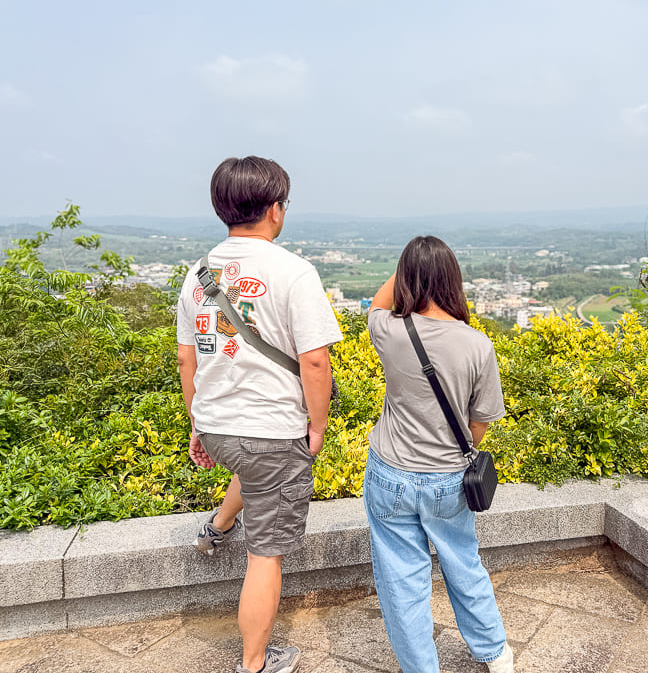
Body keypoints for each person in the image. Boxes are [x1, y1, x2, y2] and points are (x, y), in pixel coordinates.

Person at [177, 156, 343, 673]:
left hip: (217, 426)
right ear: (275, 209)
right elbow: (315, 361)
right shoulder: (293, 271)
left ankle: (217, 527)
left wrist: (198, 423)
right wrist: (317, 425)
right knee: (265, 554)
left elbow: (187, 358)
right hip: (271, 430)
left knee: (257, 467)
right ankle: (255, 663)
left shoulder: (198, 273)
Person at [364, 235, 514, 673]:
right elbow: (479, 424)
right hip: (449, 478)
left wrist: (406, 269)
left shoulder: (390, 331)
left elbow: (376, 304)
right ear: (453, 279)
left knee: (402, 583)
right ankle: (494, 653)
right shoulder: (477, 345)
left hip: (390, 473)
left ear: (407, 279)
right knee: (464, 564)